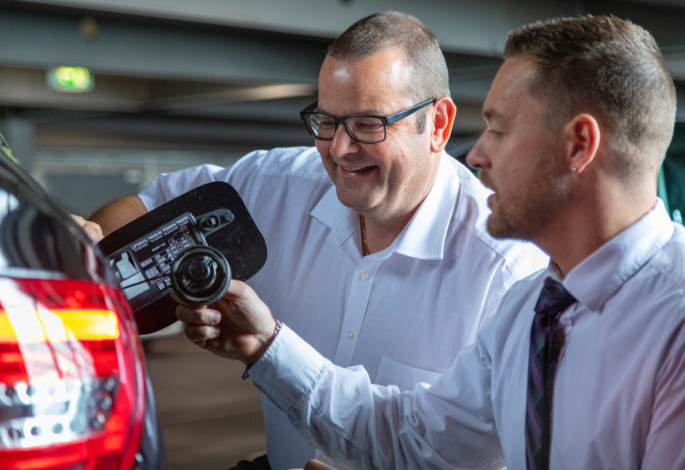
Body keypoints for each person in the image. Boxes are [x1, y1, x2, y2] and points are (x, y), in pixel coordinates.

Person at [175, 15, 685, 470]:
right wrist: (267, 346)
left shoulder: (673, 324)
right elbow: (418, 438)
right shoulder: (532, 311)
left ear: (578, 145)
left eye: (499, 130)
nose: (478, 155)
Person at [81, 12, 547, 470]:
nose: (339, 149)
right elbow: (146, 207)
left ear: (439, 125)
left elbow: (480, 448)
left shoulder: (508, 271)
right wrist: (84, 245)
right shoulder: (271, 184)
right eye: (327, 121)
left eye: (368, 124)